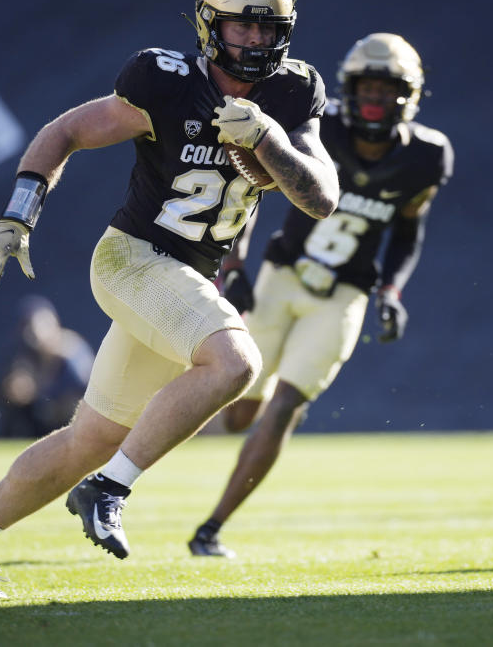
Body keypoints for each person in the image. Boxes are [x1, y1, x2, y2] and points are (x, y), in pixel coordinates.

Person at [0, 0, 339, 599]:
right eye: (242, 26)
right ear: (209, 25)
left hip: (187, 276)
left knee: (91, 436)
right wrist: (18, 216)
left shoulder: (291, 94)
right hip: (133, 260)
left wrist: (269, 142)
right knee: (235, 364)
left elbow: (320, 196)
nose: (255, 40)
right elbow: (65, 131)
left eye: (267, 28)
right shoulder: (165, 83)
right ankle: (110, 488)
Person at [187, 32, 453, 557]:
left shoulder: (426, 156)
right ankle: (125, 462)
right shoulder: (319, 127)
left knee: (286, 404)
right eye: (366, 87)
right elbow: (252, 185)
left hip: (344, 294)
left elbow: (407, 229)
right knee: (237, 410)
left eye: (386, 89)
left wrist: (392, 289)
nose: (374, 100)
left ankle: (211, 529)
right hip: (282, 277)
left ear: (410, 96)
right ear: (348, 90)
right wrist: (236, 264)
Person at [0, 295, 94, 438]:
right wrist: (12, 391)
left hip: (70, 425)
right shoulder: (24, 354)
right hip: (36, 426)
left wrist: (44, 394)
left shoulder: (71, 353)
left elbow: (88, 393)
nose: (32, 336)